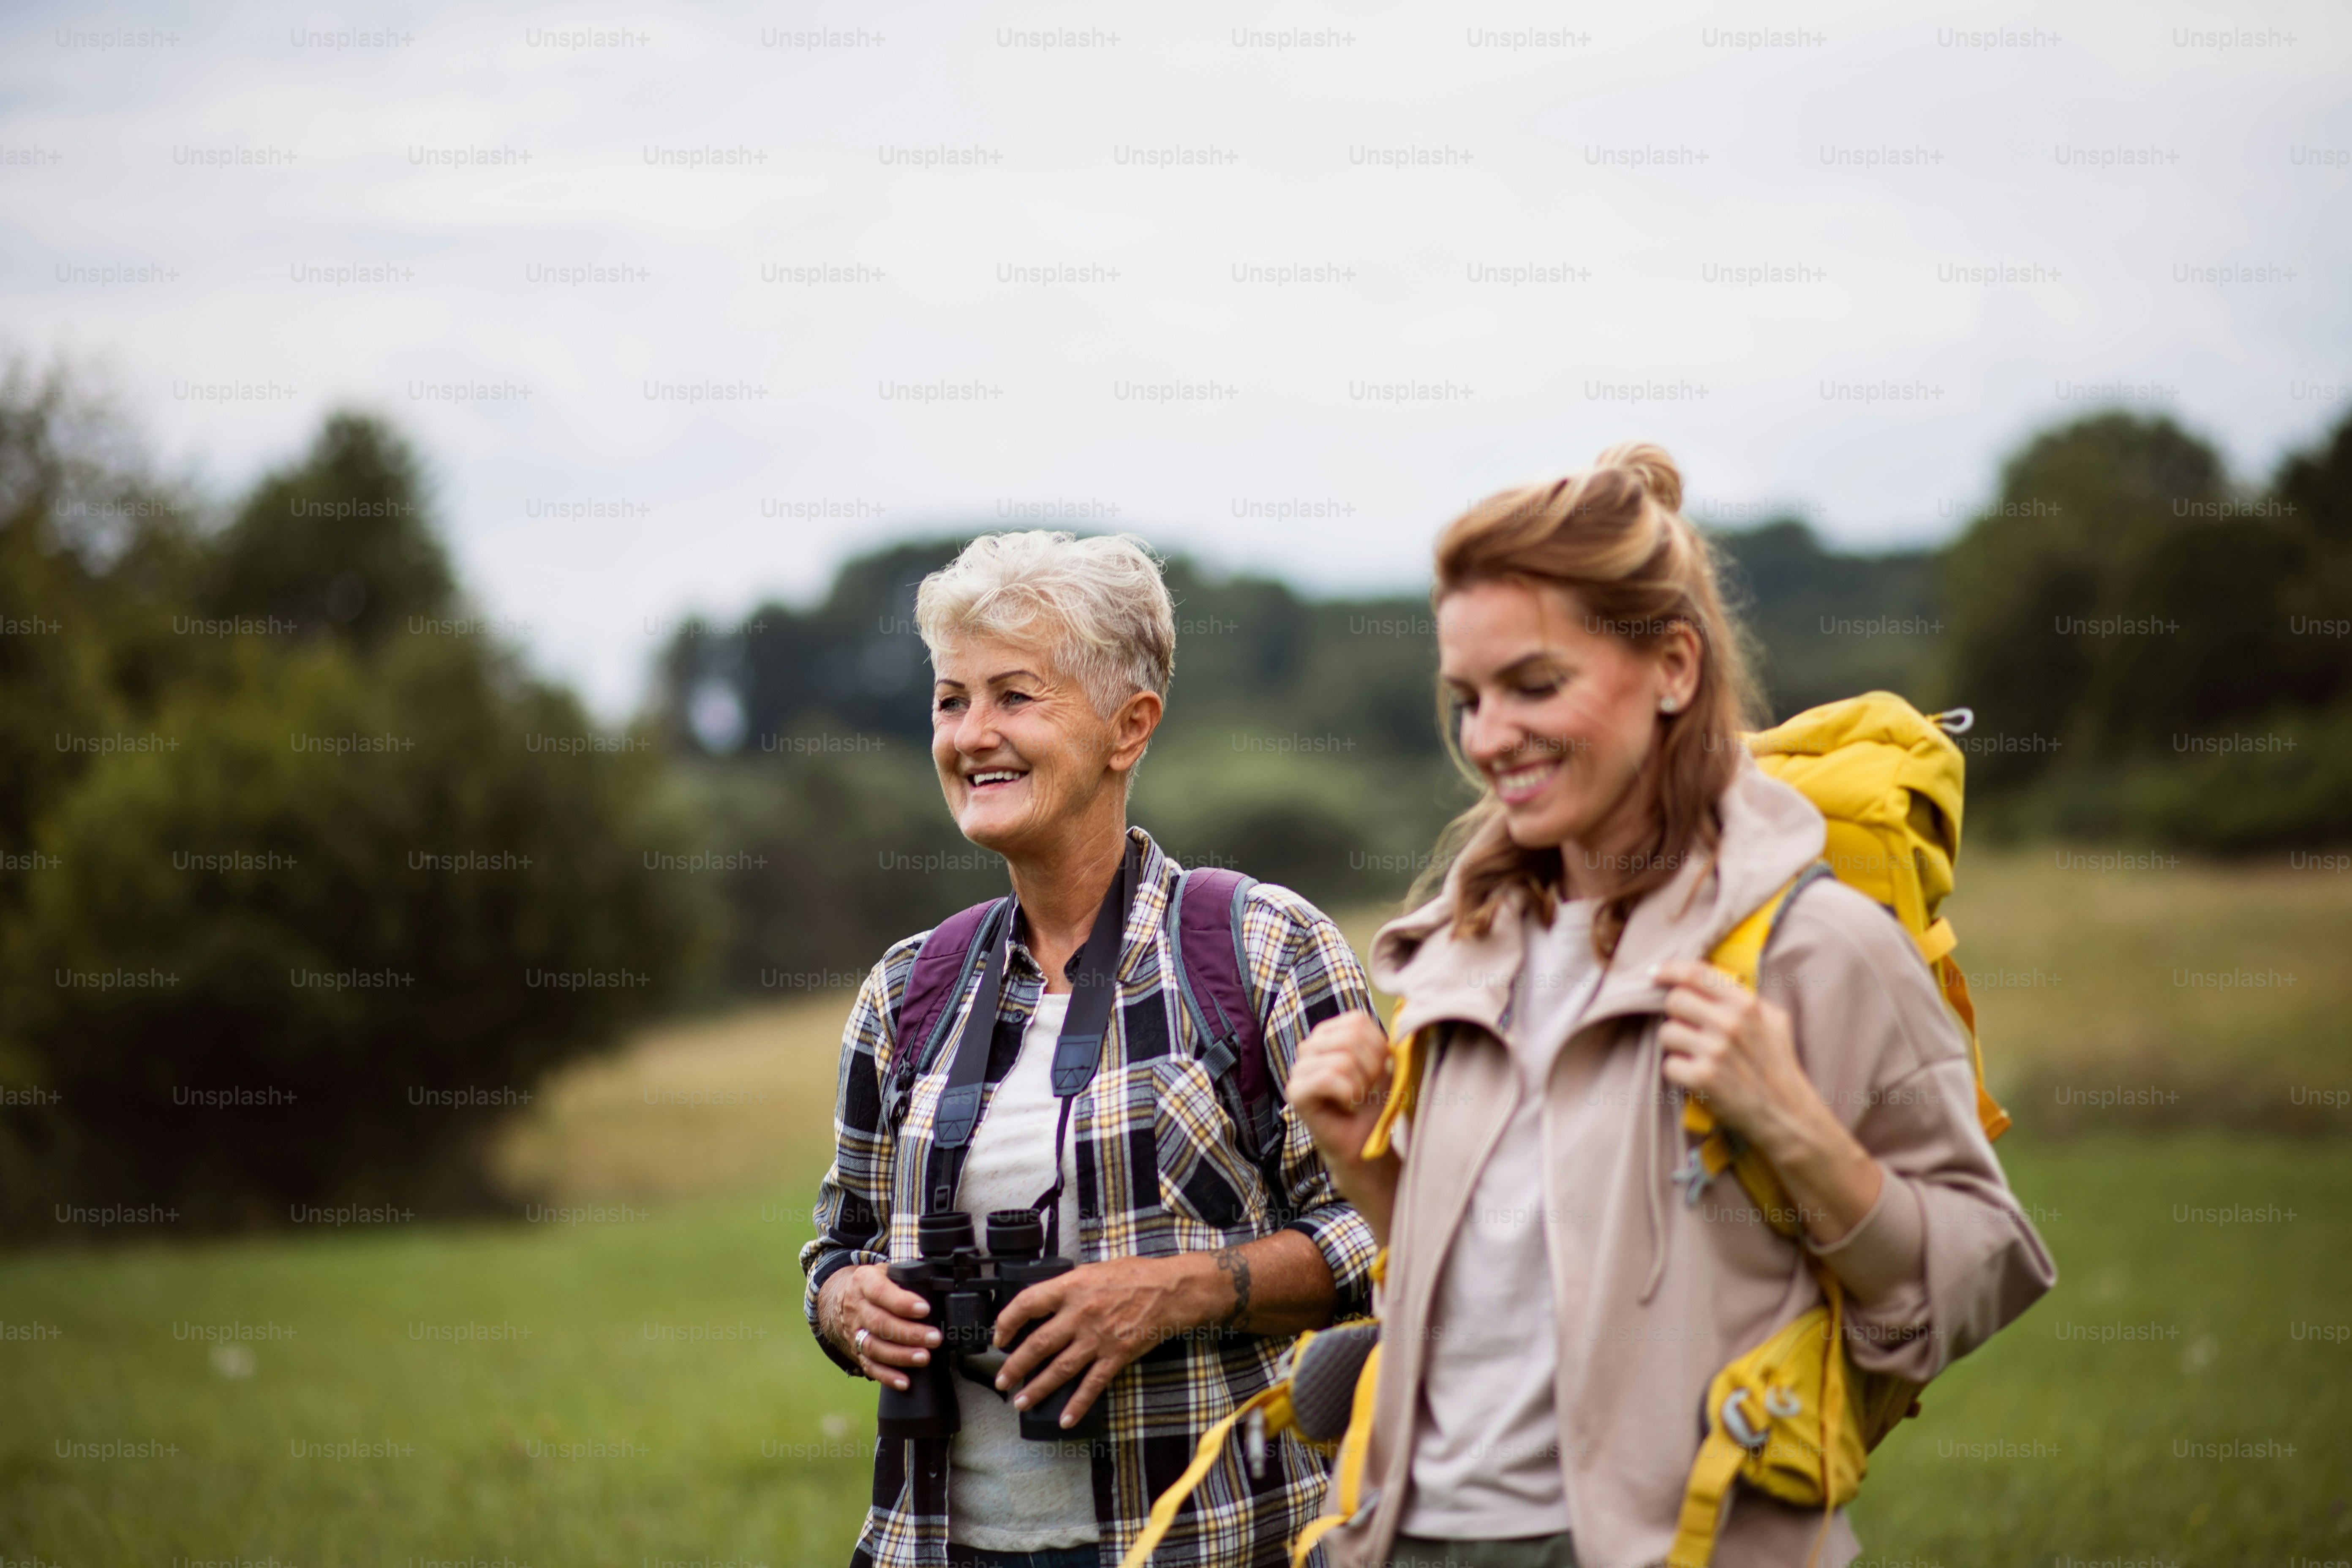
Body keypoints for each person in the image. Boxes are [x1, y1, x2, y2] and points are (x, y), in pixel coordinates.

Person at [1287, 446, 2056, 1568]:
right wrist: (1371, 1170)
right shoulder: (1466, 954)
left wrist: (1798, 1129)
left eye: (1535, 685)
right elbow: (1504, 1298)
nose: (1490, 736)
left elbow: (1982, 1270)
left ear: (1675, 669)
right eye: (1469, 698)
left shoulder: (1814, 944)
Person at [803, 531, 1382, 1568]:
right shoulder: (908, 988)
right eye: (950, 699)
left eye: (1015, 696)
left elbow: (1391, 1234)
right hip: (934, 1543)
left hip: (1211, 1539)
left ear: (1130, 727)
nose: (972, 733)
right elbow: (836, 1244)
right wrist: (849, 1306)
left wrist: (1182, 1289)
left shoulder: (1261, 947)